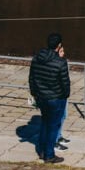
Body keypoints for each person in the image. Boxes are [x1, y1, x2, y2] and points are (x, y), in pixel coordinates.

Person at [28, 32, 69, 163]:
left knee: (45, 123)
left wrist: (35, 93)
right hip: (55, 98)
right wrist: (65, 95)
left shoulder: (36, 58)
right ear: (59, 46)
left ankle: (41, 150)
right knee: (53, 126)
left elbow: (31, 79)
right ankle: (49, 154)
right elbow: (65, 83)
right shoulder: (60, 63)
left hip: (41, 96)